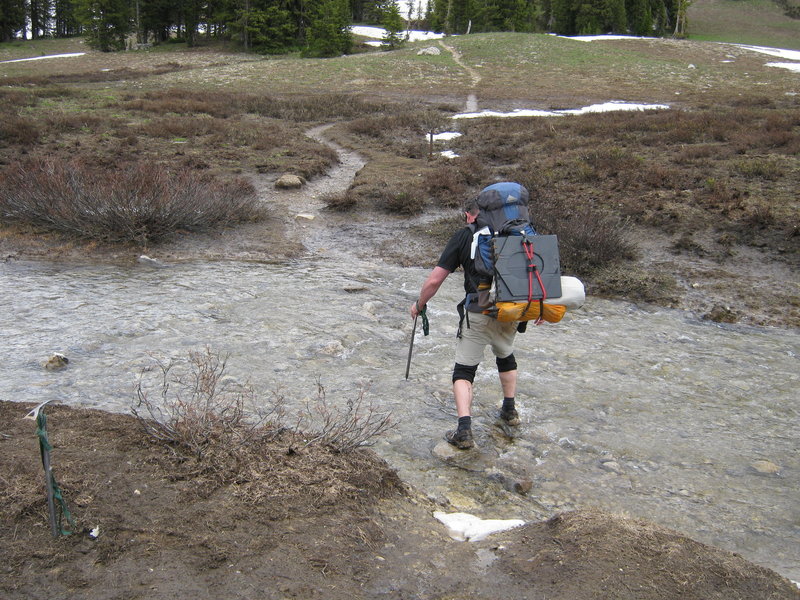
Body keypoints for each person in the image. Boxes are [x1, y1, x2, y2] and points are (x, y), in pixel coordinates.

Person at [410, 190, 524, 450]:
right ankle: (509, 411)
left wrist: (420, 304)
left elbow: (435, 280)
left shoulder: (465, 235)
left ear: (469, 215)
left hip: (478, 311)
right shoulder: (517, 233)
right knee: (506, 355)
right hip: (514, 309)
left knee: (464, 370)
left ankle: (464, 430)